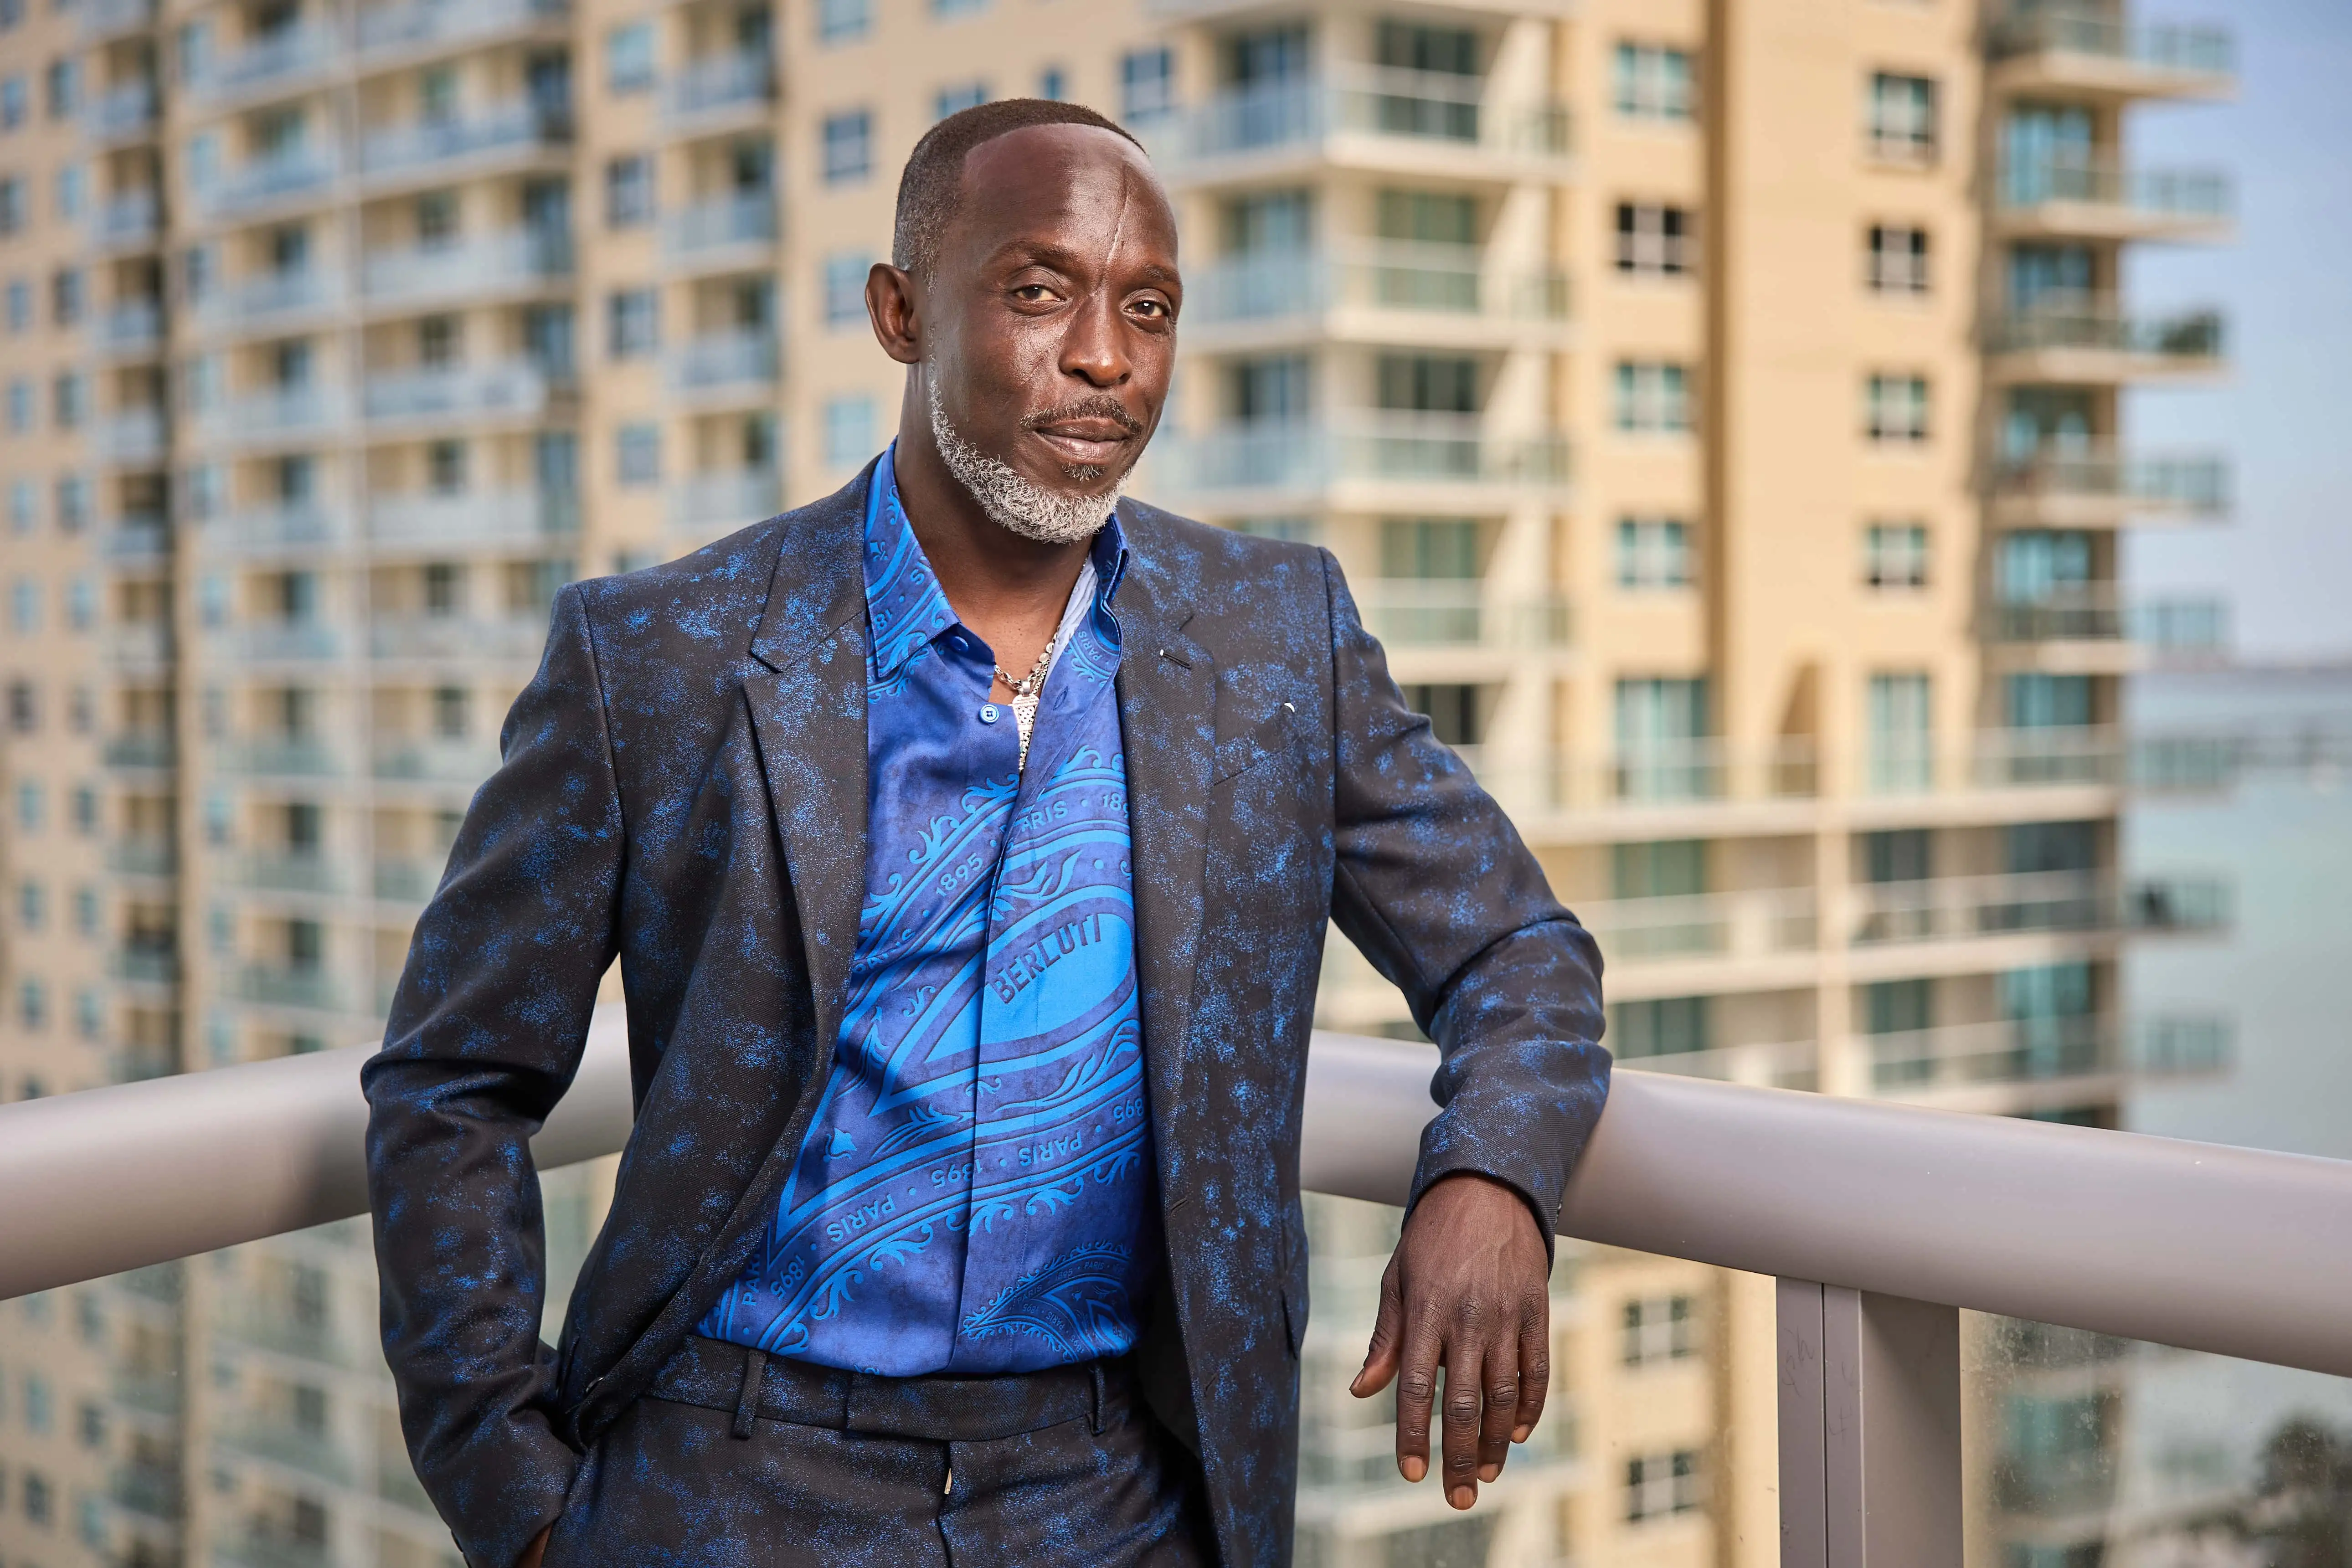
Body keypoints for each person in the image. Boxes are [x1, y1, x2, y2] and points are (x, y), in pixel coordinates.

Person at [363, 98, 1608, 1568]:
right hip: (727, 1478)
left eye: (1148, 309)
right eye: (1038, 293)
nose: (1104, 356)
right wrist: (519, 1511)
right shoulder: (659, 657)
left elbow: (1521, 949)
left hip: (1122, 1488)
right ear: (899, 313)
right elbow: (455, 1083)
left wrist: (1489, 1176)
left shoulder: (1278, 639)